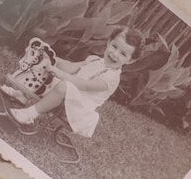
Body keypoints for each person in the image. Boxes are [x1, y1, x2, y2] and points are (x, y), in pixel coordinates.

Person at [9, 26, 143, 138]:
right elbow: (71, 67)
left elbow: (84, 85)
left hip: (78, 107)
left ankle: (30, 114)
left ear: (130, 61)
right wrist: (53, 59)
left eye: (123, 54)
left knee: (63, 85)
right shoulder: (94, 60)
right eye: (114, 46)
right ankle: (23, 95)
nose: (115, 54)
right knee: (52, 77)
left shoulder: (111, 79)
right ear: (108, 42)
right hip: (66, 94)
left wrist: (60, 73)